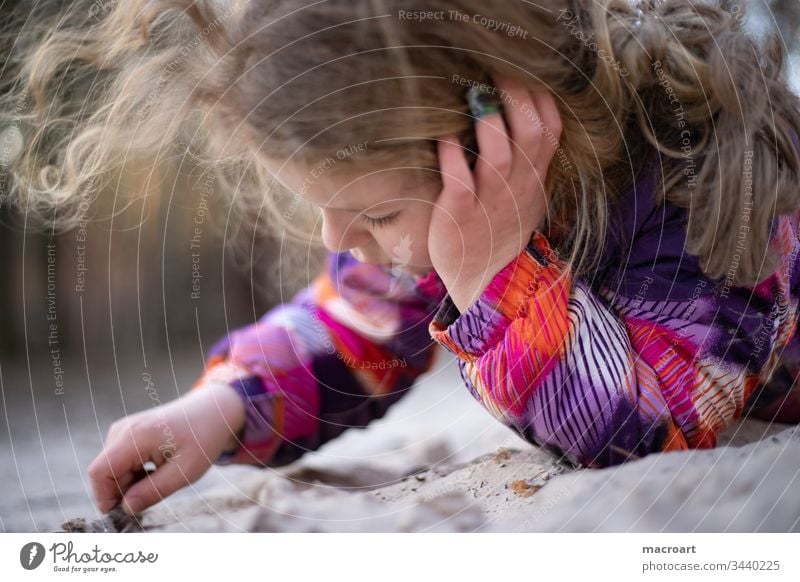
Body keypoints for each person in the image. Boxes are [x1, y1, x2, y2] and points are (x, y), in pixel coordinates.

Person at [3, 0, 800, 517]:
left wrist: (496, 274)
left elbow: (649, 431)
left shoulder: (698, 185)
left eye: (375, 213)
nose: (334, 240)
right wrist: (227, 405)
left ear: (499, 129)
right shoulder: (467, 199)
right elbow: (359, 323)